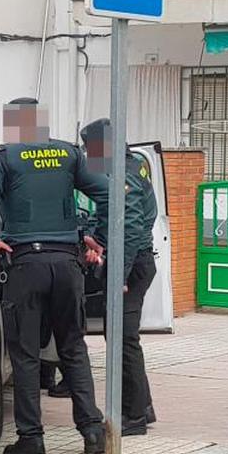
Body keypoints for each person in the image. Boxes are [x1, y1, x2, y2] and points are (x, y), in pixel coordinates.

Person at [0, 97, 109, 454]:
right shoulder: (69, 154)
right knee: (74, 349)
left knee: (26, 355)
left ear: (15, 125)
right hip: (66, 264)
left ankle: (32, 441)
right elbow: (107, 192)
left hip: (25, 265)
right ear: (41, 124)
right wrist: (96, 236)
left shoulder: (4, 158)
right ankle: (93, 432)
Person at [79, 118, 157, 436]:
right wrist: (96, 236)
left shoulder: (122, 172)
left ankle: (134, 418)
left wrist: (119, 274)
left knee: (123, 341)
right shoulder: (134, 163)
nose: (86, 155)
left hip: (132, 265)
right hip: (138, 261)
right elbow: (113, 215)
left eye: (89, 148)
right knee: (123, 338)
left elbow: (132, 224)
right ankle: (144, 408)